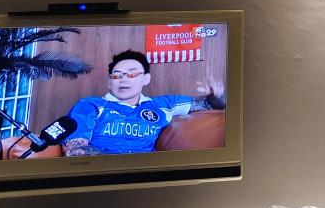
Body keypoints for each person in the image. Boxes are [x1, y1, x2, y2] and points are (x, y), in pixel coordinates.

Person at [62, 50, 225, 156]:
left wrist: (217, 97)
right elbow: (74, 148)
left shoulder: (163, 105)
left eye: (132, 74)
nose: (123, 79)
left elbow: (209, 106)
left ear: (146, 79)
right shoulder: (90, 105)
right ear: (110, 82)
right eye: (117, 75)